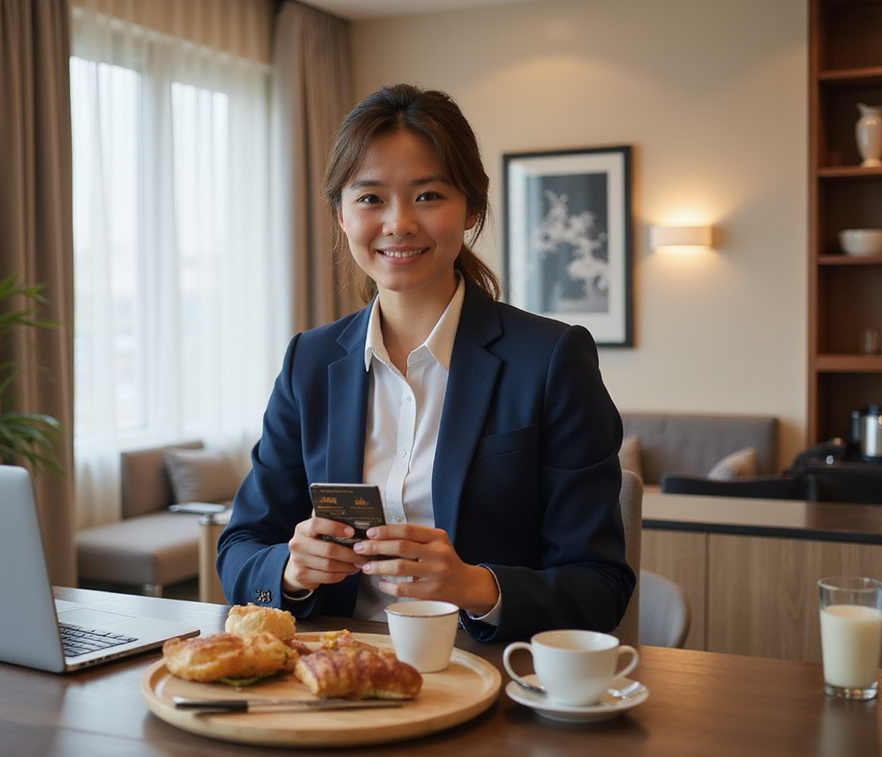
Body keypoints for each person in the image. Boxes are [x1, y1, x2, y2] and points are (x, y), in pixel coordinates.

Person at [217, 83, 633, 642]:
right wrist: (290, 573)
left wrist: (475, 586)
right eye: (369, 199)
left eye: (428, 195)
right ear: (341, 215)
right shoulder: (309, 364)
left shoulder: (551, 360)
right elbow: (240, 548)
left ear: (471, 211)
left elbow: (599, 586)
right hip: (334, 668)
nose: (399, 223)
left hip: (488, 677)